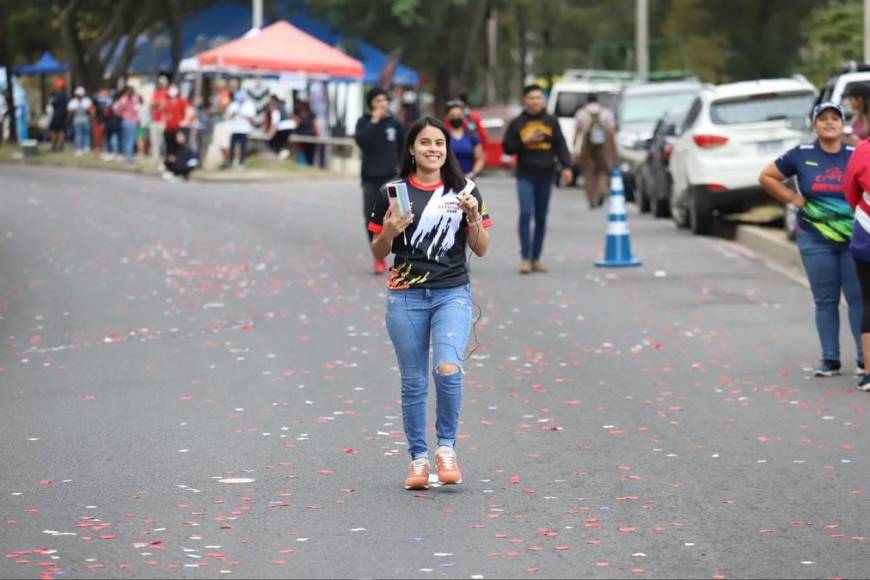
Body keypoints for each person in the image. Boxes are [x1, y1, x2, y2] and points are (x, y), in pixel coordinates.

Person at [367, 116, 492, 490]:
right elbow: (377, 248)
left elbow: (481, 249)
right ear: (411, 148)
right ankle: (419, 459)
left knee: (448, 368)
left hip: (451, 293)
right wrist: (388, 232)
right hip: (405, 296)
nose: (433, 149)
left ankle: (447, 449)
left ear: (447, 148)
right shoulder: (393, 192)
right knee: (414, 381)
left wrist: (473, 217)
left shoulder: (464, 190)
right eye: (425, 142)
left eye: (439, 142)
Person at [759, 102, 863, 378]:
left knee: (858, 300)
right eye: (823, 119)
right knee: (826, 299)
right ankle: (830, 359)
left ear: (843, 125)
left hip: (854, 240)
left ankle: (865, 359)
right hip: (815, 240)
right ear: (814, 124)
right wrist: (793, 199)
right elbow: (767, 176)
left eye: (835, 118)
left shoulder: (857, 154)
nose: (829, 123)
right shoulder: (801, 154)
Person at [502, 84, 572, 274]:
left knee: (541, 217)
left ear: (544, 100)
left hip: (546, 175)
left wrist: (566, 166)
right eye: (531, 98)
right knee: (526, 213)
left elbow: (561, 145)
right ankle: (525, 258)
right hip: (525, 175)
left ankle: (535, 258)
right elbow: (507, 148)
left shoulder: (551, 121)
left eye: (538, 98)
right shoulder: (518, 122)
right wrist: (525, 140)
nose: (535, 101)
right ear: (525, 100)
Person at [355, 87, 405, 274]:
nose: (382, 104)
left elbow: (403, 149)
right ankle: (378, 258)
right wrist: (374, 122)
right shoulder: (364, 122)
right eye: (377, 101)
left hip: (392, 178)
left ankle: (404, 257)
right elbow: (362, 143)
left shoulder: (395, 123)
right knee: (372, 219)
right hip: (370, 179)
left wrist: (405, 172)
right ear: (371, 104)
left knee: (401, 218)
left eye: (384, 100)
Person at [574, 93, 617, 208]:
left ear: (586, 100)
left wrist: (575, 148)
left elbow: (577, 132)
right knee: (601, 171)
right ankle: (601, 191)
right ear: (598, 100)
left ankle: (591, 198)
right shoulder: (606, 113)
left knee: (588, 174)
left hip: (587, 147)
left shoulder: (581, 113)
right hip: (603, 147)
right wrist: (612, 148)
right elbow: (611, 132)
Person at [445, 99, 485, 179]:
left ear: (463, 116)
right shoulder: (443, 137)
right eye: (453, 115)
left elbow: (480, 159)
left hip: (468, 181)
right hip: (447, 181)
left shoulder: (472, 136)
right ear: (448, 117)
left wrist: (472, 173)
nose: (456, 118)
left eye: (459, 115)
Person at [225, 90, 257, 169]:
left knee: (243, 147)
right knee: (232, 146)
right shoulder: (233, 105)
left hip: (244, 130)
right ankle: (232, 162)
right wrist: (234, 114)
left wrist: (244, 116)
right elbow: (227, 116)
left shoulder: (249, 105)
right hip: (233, 129)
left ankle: (242, 162)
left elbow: (253, 118)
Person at [161, 84, 192, 162]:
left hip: (179, 129)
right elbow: (164, 114)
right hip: (169, 129)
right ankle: (171, 166)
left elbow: (189, 112)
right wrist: (163, 123)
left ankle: (180, 164)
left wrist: (184, 122)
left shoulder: (182, 101)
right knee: (170, 149)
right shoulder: (167, 102)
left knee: (179, 147)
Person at [112, 86, 141, 164]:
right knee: (131, 140)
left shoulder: (123, 99)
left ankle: (126, 155)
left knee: (125, 140)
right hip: (133, 122)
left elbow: (116, 109)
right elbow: (138, 110)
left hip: (125, 121)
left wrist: (121, 114)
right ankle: (129, 157)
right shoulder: (136, 99)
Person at [266, 94, 296, 159]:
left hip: (283, 128)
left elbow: (274, 124)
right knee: (279, 143)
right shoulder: (282, 106)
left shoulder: (275, 110)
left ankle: (278, 155)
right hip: (290, 127)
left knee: (273, 143)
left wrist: (270, 134)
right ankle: (281, 153)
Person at [67, 86, 94, 156]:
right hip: (77, 120)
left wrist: (91, 117)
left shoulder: (87, 100)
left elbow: (91, 110)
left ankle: (86, 148)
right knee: (78, 135)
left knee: (86, 134)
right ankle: (79, 149)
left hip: (85, 120)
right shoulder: (73, 101)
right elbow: (69, 112)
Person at [148, 76, 169, 163]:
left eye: (163, 83)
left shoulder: (168, 94)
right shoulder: (156, 93)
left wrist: (158, 103)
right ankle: (155, 158)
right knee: (154, 140)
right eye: (160, 83)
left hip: (162, 120)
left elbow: (163, 106)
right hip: (154, 119)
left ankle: (162, 158)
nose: (161, 85)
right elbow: (151, 104)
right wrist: (157, 103)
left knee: (162, 141)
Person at [293, 98, 319, 166]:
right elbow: (317, 127)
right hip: (310, 138)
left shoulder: (300, 115)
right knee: (309, 156)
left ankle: (305, 166)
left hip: (304, 138)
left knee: (304, 155)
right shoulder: (312, 115)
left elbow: (295, 125)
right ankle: (308, 166)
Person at [47, 83, 68, 152]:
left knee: (53, 130)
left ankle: (54, 146)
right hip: (63, 115)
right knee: (61, 131)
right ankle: (61, 146)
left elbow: (51, 104)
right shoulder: (65, 95)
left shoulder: (55, 96)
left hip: (55, 115)